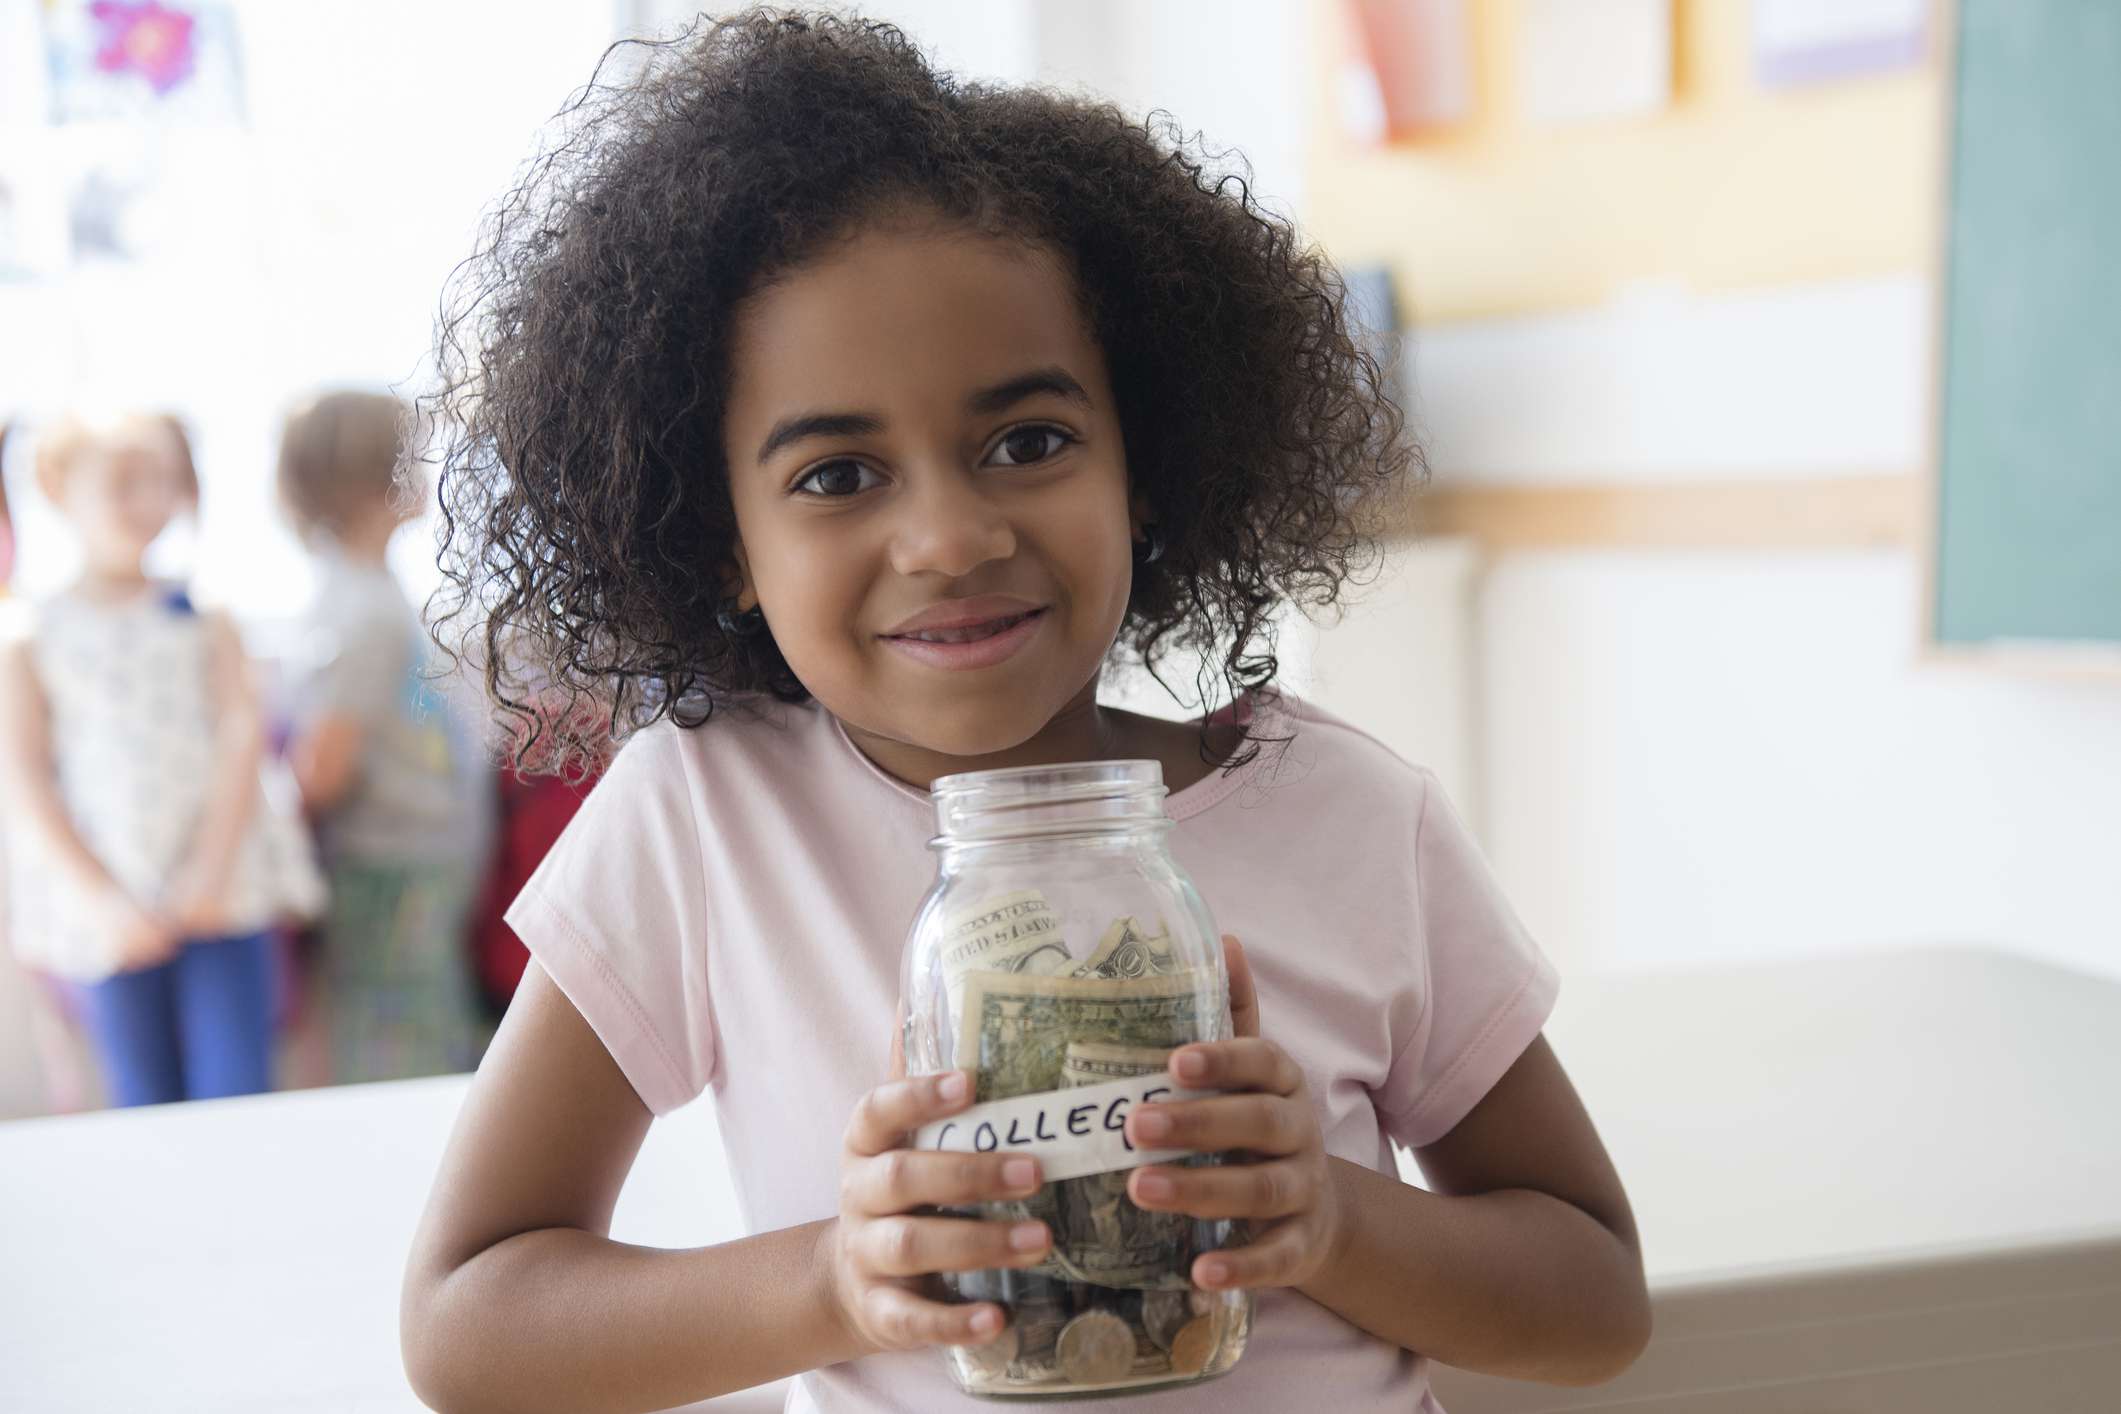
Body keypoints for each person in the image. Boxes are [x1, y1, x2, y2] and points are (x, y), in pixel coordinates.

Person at [401, 13, 1650, 1413]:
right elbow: (471, 1325)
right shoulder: (706, 822)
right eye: (834, 474)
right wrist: (833, 1278)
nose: (948, 534)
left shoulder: (1355, 818)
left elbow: (1591, 1297)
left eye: (1029, 442)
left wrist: (1336, 1218)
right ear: (719, 542)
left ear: (1148, 456)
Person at [0, 412, 318, 1106]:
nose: (147, 502)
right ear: (58, 490)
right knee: (141, 1098)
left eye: (162, 483)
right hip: (112, 909)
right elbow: (23, 778)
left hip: (221, 891)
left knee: (239, 1087)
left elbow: (242, 738)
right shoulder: (32, 635)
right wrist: (105, 901)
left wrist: (207, 874)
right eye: (122, 483)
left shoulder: (206, 613)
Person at [277, 390, 492, 1084]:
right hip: (390, 867)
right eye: (415, 455)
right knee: (398, 1035)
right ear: (377, 475)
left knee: (421, 1018)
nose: (431, 469)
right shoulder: (359, 607)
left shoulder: (372, 589)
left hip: (418, 858)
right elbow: (326, 761)